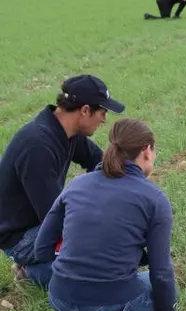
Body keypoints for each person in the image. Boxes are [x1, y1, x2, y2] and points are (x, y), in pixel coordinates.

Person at [34, 118, 183, 311]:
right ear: (146, 150)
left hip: (61, 302)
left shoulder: (77, 184)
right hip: (110, 307)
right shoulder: (154, 199)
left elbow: (41, 247)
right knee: (166, 288)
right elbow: (161, 272)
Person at [0, 75, 125, 288]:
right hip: (21, 237)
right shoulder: (37, 145)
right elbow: (54, 217)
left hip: (42, 221)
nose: (104, 119)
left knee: (107, 236)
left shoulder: (66, 131)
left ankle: (48, 266)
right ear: (85, 110)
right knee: (99, 268)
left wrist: (129, 187)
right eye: (102, 112)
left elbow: (100, 161)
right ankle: (32, 270)